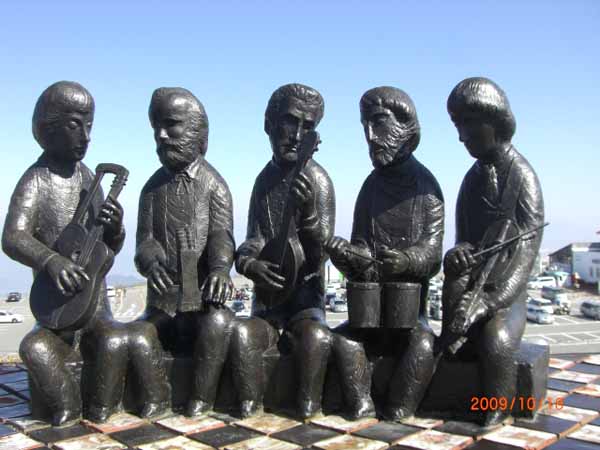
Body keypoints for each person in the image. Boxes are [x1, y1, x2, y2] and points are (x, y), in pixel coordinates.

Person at [3, 81, 159, 425]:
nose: (86, 137)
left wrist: (115, 229)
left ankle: (101, 412)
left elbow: (104, 253)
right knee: (33, 348)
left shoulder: (90, 179)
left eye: (89, 126)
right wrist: (51, 260)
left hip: (94, 309)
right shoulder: (36, 180)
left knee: (113, 340)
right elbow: (12, 237)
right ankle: (68, 410)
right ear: (48, 127)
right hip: (56, 315)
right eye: (75, 126)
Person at [327, 86, 444, 420]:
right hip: (371, 311)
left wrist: (407, 260)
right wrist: (346, 254)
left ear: (405, 127)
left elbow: (433, 254)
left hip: (408, 314)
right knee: (343, 340)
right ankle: (361, 404)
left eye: (378, 123)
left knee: (422, 345)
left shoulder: (427, 188)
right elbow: (362, 251)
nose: (370, 136)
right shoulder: (370, 187)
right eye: (365, 126)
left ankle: (399, 410)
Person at [440, 77, 544, 427]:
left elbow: (525, 256)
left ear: (493, 121)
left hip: (506, 293)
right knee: (452, 337)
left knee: (496, 340)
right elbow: (463, 240)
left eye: (467, 124)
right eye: (457, 125)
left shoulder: (523, 177)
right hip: (472, 283)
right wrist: (457, 255)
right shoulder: (471, 180)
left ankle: (496, 408)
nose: (461, 136)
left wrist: (489, 302)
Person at [233, 83, 335, 419]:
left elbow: (321, 254)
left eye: (308, 127)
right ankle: (248, 408)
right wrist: (248, 263)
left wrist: (309, 215)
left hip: (305, 304)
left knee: (315, 339)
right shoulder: (263, 181)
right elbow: (255, 238)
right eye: (290, 122)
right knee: (242, 334)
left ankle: (308, 407)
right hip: (267, 305)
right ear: (269, 124)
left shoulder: (318, 181)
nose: (296, 135)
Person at [135, 87, 235, 417]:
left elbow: (221, 234)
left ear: (196, 131)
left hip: (202, 302)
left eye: (171, 125)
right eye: (156, 128)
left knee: (217, 325)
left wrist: (220, 269)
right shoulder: (151, 189)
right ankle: (156, 399)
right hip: (163, 304)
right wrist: (151, 261)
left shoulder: (214, 185)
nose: (161, 136)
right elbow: (144, 242)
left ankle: (202, 399)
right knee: (139, 336)